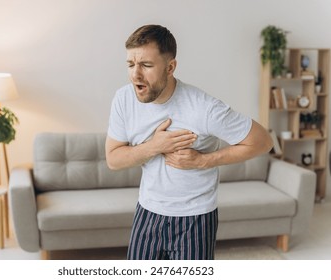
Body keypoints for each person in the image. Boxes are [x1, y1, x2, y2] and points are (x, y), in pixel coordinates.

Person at [105, 24, 273, 260]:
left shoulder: (204, 108)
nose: (135, 75)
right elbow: (113, 159)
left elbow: (263, 141)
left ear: (170, 67)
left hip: (195, 218)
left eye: (146, 65)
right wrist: (155, 146)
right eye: (131, 64)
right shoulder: (123, 99)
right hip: (148, 211)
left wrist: (204, 160)